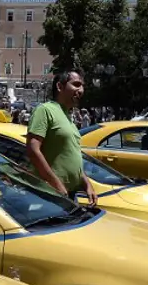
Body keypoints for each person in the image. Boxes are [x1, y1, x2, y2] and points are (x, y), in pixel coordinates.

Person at [25, 70, 96, 207]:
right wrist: (56, 185)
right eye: (76, 84)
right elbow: (33, 150)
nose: (80, 90)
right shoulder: (44, 110)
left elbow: (70, 157)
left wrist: (87, 184)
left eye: (82, 86)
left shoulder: (68, 117)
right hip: (50, 195)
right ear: (60, 87)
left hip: (68, 194)